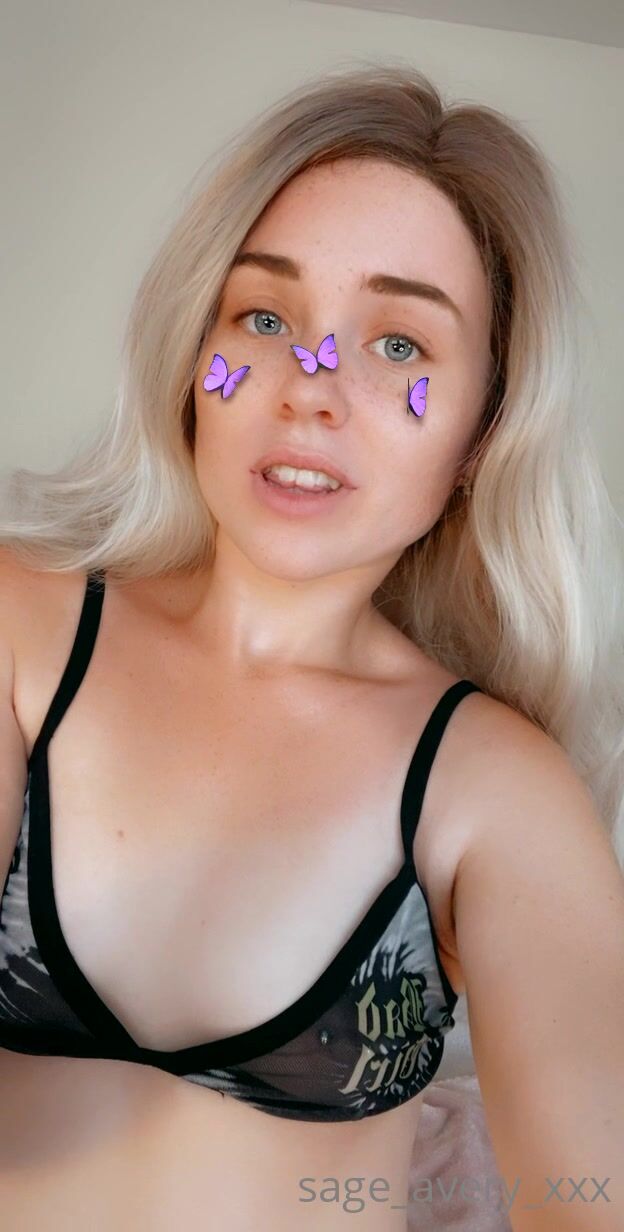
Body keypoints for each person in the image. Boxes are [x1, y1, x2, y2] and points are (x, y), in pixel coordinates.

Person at [1, 60, 623, 1232]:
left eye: (401, 346)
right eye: (266, 317)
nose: (310, 389)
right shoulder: (20, 626)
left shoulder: (497, 787)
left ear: (482, 435)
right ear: (195, 354)